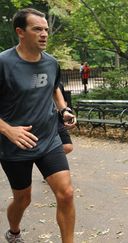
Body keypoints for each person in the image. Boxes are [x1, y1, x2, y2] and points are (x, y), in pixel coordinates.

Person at [0, 8, 76, 243]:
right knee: (23, 199)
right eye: (37, 29)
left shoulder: (51, 63)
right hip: (14, 145)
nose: (44, 34)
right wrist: (7, 129)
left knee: (66, 194)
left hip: (49, 138)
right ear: (20, 32)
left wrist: (63, 109)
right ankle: (14, 232)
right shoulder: (3, 63)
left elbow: (54, 88)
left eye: (46, 29)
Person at [58, 82, 73, 154]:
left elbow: (65, 102)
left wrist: (67, 113)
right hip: (42, 119)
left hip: (58, 118)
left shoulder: (59, 84)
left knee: (68, 147)